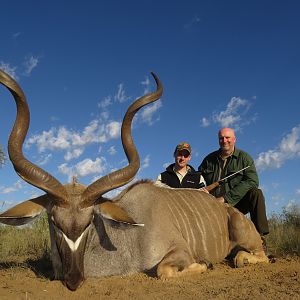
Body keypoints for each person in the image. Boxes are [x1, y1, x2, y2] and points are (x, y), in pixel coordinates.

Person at [198, 128, 269, 238]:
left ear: (234, 139)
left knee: (256, 193)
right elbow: (198, 177)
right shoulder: (209, 159)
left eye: (227, 137)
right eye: (221, 138)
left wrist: (226, 199)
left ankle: (260, 237)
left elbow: (252, 181)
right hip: (212, 205)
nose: (224, 140)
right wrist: (202, 189)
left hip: (236, 204)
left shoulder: (244, 158)